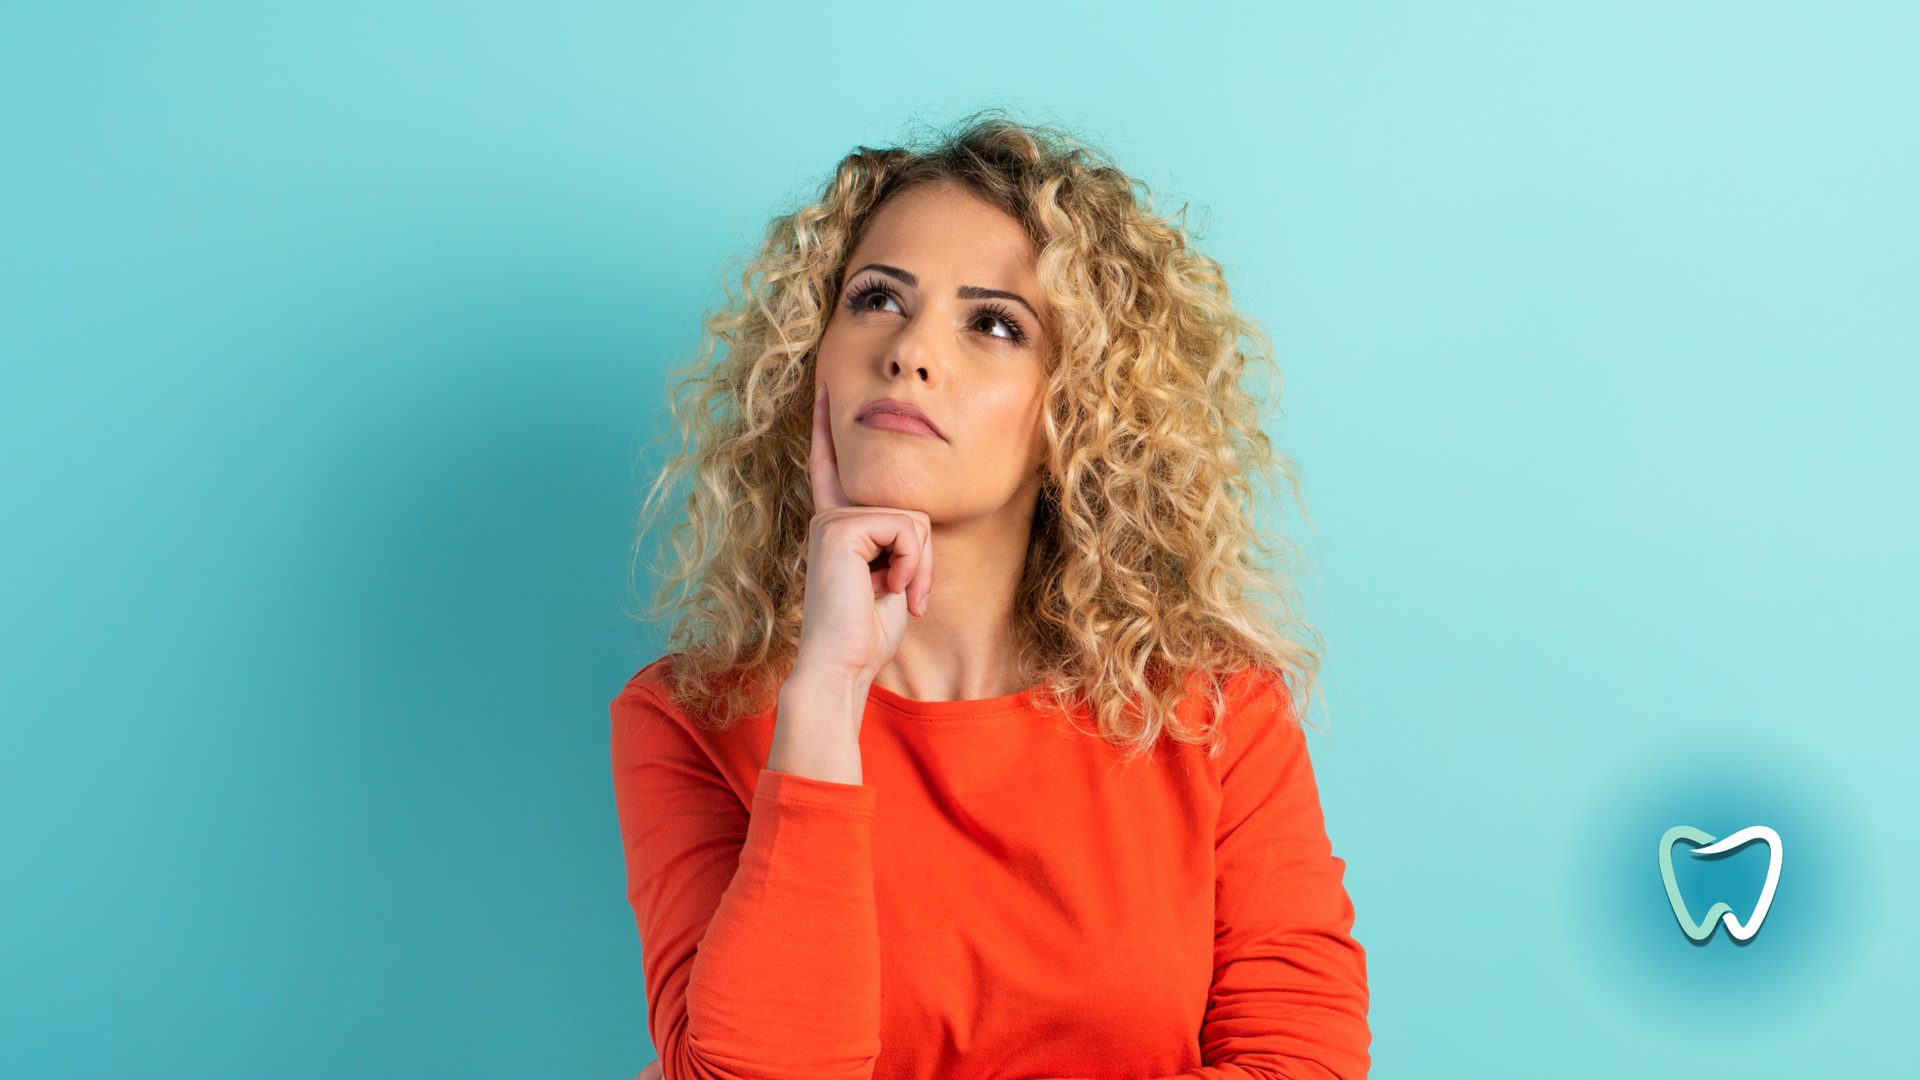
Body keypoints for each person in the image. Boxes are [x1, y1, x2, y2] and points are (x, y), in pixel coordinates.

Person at [611, 116, 1369, 1080]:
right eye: (877, 299)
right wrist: (824, 701)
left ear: (1077, 411)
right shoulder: (687, 721)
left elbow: (1303, 1063)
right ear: (814, 357)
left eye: (995, 323)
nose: (910, 352)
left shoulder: (1218, 717)